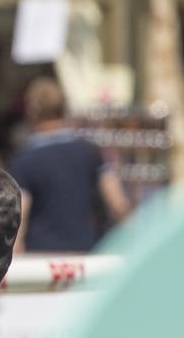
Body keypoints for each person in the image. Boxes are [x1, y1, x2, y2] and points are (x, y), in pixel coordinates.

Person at [9, 76, 130, 253]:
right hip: (85, 255)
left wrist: (16, 262)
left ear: (32, 112)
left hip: (42, 262)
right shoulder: (89, 151)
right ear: (64, 108)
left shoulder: (25, 159)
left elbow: (20, 218)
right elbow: (117, 203)